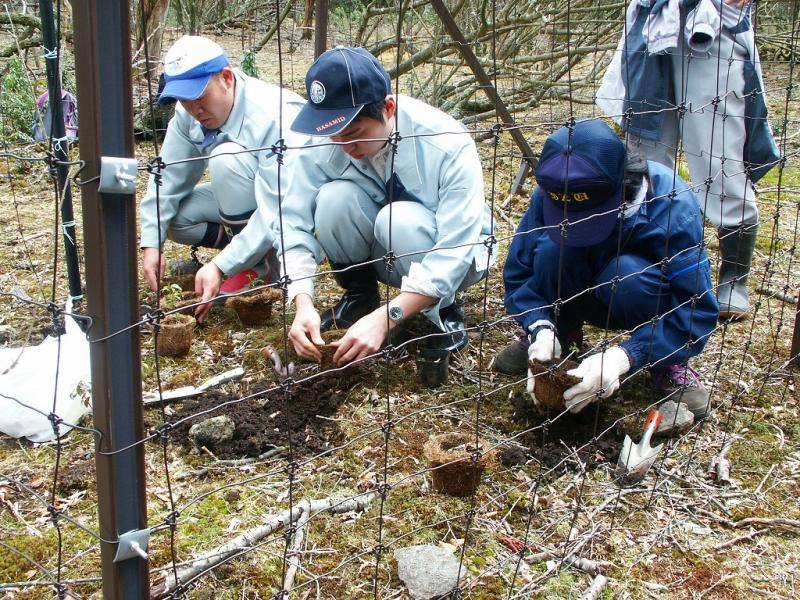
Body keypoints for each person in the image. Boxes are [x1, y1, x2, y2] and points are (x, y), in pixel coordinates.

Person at [275, 46, 495, 370]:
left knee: (398, 219)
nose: (344, 147)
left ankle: (444, 312)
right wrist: (302, 302)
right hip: (384, 252)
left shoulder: (446, 141)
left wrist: (390, 316)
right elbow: (292, 222)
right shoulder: (327, 139)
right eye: (333, 136)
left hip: (454, 257)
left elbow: (456, 245)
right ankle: (361, 298)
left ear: (388, 108)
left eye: (353, 134)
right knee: (334, 200)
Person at [496, 119, 719, 418]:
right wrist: (539, 324)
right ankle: (561, 336)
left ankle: (666, 360)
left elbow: (695, 308)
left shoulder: (671, 205)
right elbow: (520, 271)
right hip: (574, 287)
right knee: (551, 250)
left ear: (622, 184)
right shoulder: (556, 188)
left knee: (626, 274)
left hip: (636, 296)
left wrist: (624, 356)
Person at [596, 0, 780, 320]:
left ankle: (733, 277)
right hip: (654, 20)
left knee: (721, 156)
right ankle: (649, 265)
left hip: (715, 22)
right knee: (646, 158)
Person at [139, 36, 305, 318]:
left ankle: (259, 269)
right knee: (176, 218)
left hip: (296, 213)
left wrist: (221, 266)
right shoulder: (188, 114)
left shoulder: (272, 115)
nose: (194, 109)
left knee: (225, 159)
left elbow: (277, 209)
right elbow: (167, 178)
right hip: (248, 203)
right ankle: (246, 253)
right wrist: (151, 242)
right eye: (184, 100)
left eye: (200, 97)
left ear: (227, 78)